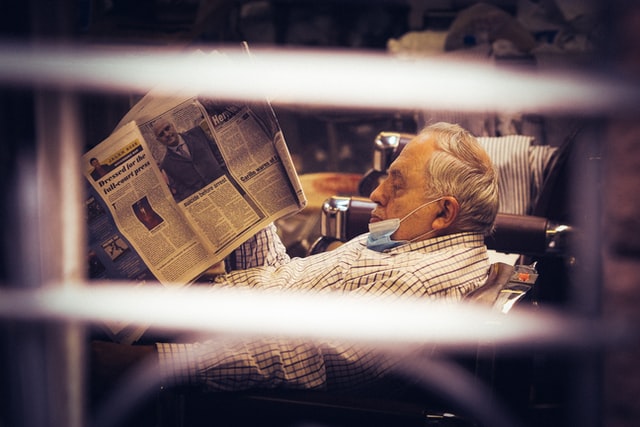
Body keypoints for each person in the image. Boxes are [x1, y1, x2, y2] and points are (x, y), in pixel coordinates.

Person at [91, 122, 499, 395]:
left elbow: (295, 356)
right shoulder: (409, 244)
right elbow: (285, 281)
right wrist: (236, 199)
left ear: (444, 213)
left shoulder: (414, 285)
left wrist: (149, 363)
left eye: (397, 182)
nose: (376, 194)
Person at [152, 118, 225, 202]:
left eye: (167, 128)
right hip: (204, 201)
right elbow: (181, 190)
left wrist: (225, 172)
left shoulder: (197, 133)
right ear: (159, 140)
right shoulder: (167, 165)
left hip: (224, 183)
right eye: (161, 134)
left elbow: (217, 151)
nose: (167, 134)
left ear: (172, 126)